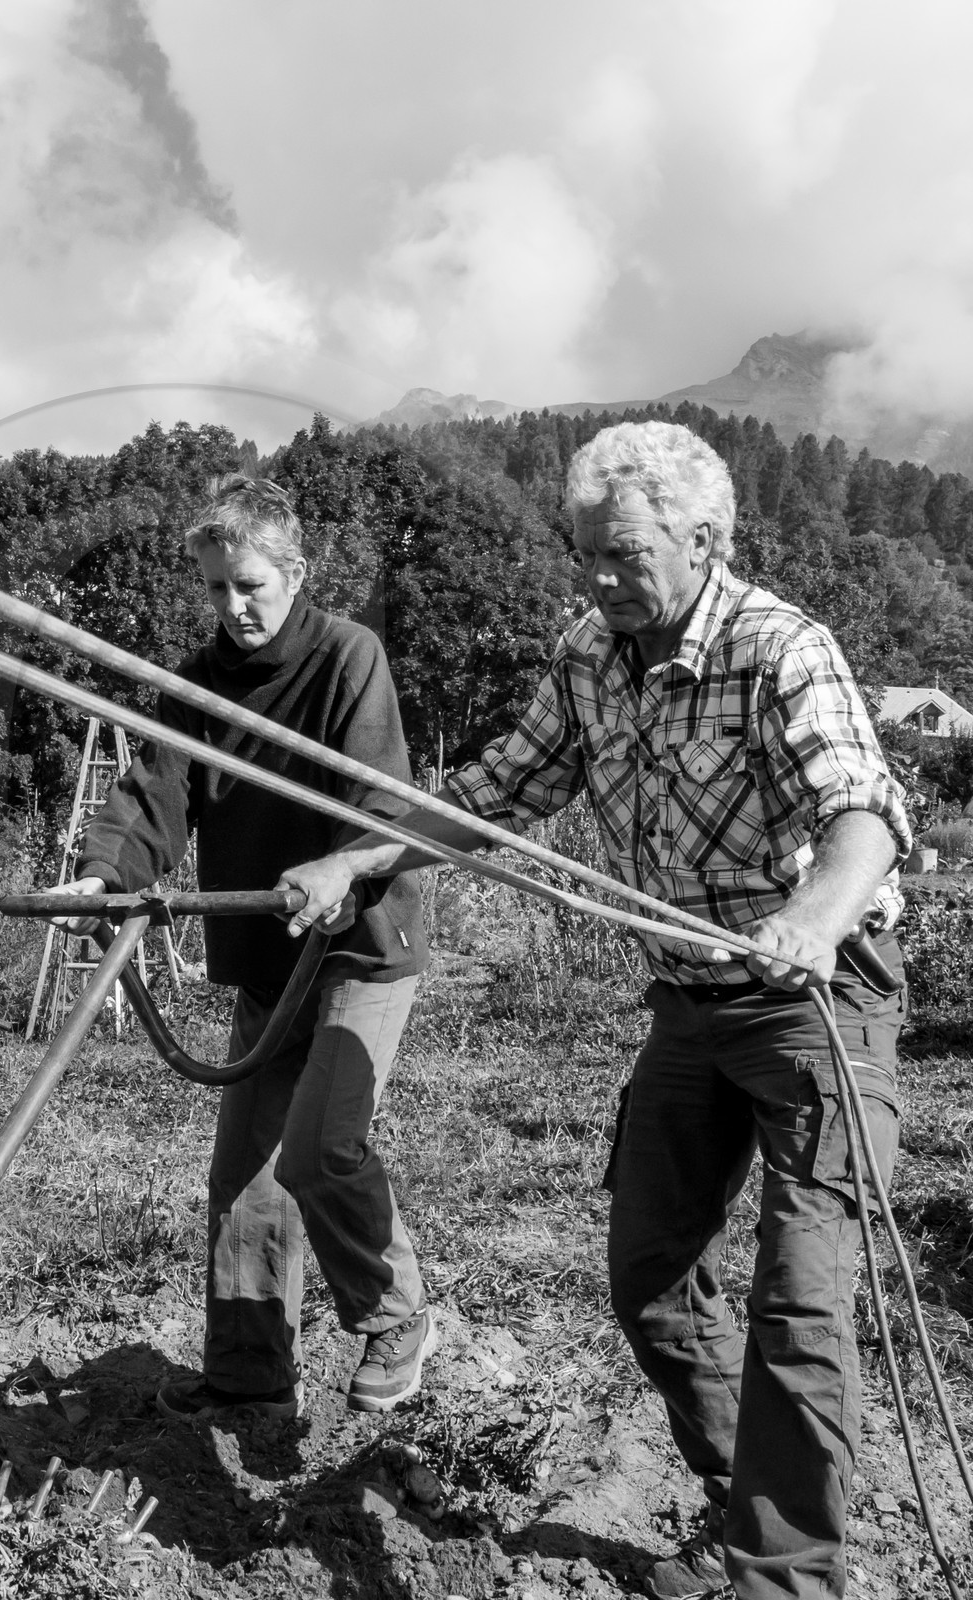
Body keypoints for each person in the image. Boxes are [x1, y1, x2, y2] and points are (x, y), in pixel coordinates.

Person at [277, 422, 910, 1600]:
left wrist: (814, 916)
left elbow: (862, 813)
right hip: (689, 1005)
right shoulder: (588, 656)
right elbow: (494, 790)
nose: (599, 580)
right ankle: (748, 1506)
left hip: (812, 1006)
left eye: (623, 556)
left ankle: (786, 1577)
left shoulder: (781, 648)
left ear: (704, 538)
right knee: (649, 1273)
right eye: (584, 556)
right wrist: (358, 860)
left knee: (802, 1295)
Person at [49, 473, 433, 1422]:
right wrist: (103, 877)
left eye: (251, 585)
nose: (234, 606)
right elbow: (154, 797)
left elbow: (386, 801)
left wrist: (343, 866)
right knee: (247, 1178)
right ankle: (250, 1379)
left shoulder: (349, 657)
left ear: (295, 573)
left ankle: (397, 1315)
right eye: (217, 587)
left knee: (318, 1150)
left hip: (359, 949)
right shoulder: (197, 686)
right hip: (270, 957)